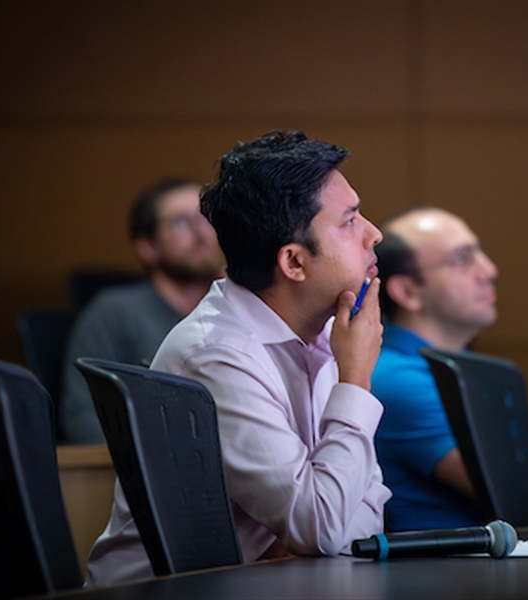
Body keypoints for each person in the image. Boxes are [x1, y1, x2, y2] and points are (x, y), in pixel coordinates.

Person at [85, 131, 391, 586]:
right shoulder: (218, 355)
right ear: (294, 263)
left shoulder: (331, 334)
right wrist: (355, 383)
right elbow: (324, 526)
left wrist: (309, 536)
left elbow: (364, 516)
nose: (374, 233)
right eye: (349, 222)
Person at [372, 207, 528, 531]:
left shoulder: (461, 372)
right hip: (443, 577)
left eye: (479, 252)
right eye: (462, 258)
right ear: (408, 292)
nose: (489, 270)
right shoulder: (399, 380)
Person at [59, 178, 226, 444]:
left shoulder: (232, 309)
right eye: (181, 222)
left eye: (206, 218)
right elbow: (82, 416)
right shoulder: (114, 311)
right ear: (147, 247)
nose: (201, 232)